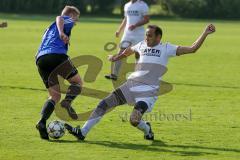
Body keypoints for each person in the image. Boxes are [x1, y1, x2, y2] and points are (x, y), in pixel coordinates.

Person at [65, 24, 216, 141]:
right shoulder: (141, 44)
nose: (146, 38)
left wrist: (205, 33)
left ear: (158, 37)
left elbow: (192, 48)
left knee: (134, 120)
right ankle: (82, 132)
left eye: (149, 36)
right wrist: (115, 58)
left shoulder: (167, 48)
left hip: (148, 91)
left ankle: (147, 130)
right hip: (132, 84)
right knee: (104, 103)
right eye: (146, 35)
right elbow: (128, 51)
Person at [35, 6, 83, 140]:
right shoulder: (66, 19)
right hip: (57, 56)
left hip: (41, 60)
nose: (76, 22)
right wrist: (62, 33)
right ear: (72, 15)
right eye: (77, 18)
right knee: (77, 83)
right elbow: (60, 18)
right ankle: (67, 103)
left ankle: (42, 122)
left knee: (54, 97)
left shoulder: (48, 29)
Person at [105, 0, 149, 81]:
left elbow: (146, 19)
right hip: (127, 34)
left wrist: (135, 25)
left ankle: (138, 75)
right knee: (120, 52)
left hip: (139, 34)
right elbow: (125, 19)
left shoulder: (142, 5)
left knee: (138, 54)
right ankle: (114, 74)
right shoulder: (127, 5)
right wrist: (119, 30)